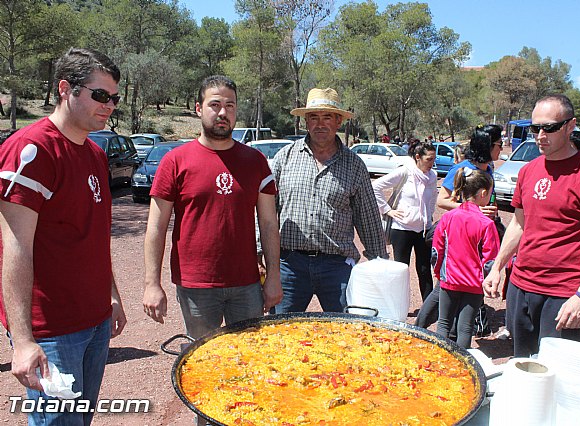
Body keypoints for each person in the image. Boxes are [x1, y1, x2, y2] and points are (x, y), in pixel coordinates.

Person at [0, 47, 127, 425]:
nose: (109, 105)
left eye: (114, 98)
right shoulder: (31, 150)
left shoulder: (94, 153)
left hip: (94, 321)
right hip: (52, 332)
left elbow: (94, 236)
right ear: (65, 89)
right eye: (100, 95)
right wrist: (23, 342)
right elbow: (14, 248)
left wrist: (112, 296)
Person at [142, 75, 282, 341]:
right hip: (196, 284)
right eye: (215, 104)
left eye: (230, 106)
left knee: (249, 358)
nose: (222, 113)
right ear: (198, 108)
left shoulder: (255, 162)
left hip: (247, 283)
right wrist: (152, 284)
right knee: (203, 361)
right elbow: (156, 227)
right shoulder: (175, 162)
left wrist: (273, 275)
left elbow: (268, 224)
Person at [483, 94, 580, 357]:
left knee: (557, 374)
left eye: (550, 128)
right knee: (523, 366)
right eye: (535, 128)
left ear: (570, 126)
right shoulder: (528, 171)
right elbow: (518, 223)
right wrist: (497, 267)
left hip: (564, 293)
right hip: (522, 287)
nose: (540, 136)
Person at [271, 87, 387, 313]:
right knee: (280, 334)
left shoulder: (354, 165)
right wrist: (258, 250)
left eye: (327, 117)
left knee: (347, 333)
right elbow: (265, 211)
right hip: (289, 265)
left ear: (339, 122)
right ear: (305, 121)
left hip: (337, 266)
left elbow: (369, 217)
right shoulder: (284, 158)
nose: (320, 124)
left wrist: (380, 262)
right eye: (313, 117)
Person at [416, 125, 503, 329]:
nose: (501, 149)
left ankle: (457, 333)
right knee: (444, 289)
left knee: (463, 290)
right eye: (499, 144)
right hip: (459, 237)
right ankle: (419, 328)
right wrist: (472, 211)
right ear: (487, 146)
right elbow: (442, 201)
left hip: (480, 234)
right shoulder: (462, 169)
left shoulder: (488, 169)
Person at [433, 168, 500, 348]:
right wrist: (488, 281)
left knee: (443, 323)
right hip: (473, 284)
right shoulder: (487, 224)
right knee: (465, 328)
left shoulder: (447, 218)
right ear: (483, 193)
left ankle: (438, 361)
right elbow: (490, 258)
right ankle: (462, 366)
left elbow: (437, 250)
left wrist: (439, 272)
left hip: (449, 279)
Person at [372, 140, 438, 300]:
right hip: (401, 229)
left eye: (433, 159)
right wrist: (388, 211)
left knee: (424, 269)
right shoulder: (405, 172)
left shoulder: (432, 176)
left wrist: (428, 217)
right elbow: (376, 187)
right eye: (428, 159)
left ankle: (428, 308)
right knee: (401, 269)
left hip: (423, 230)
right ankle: (398, 304)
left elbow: (432, 199)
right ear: (417, 157)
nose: (432, 163)